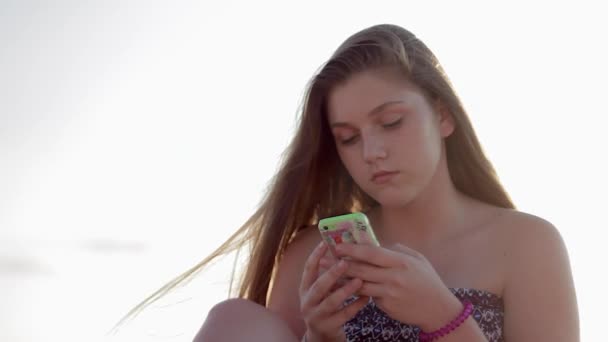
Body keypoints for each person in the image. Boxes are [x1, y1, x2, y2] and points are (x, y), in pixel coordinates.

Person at [121, 24, 579, 341]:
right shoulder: (311, 255)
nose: (371, 152)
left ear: (442, 115)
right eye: (348, 138)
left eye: (392, 122)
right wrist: (320, 338)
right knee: (235, 318)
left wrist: (444, 318)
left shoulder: (525, 243)